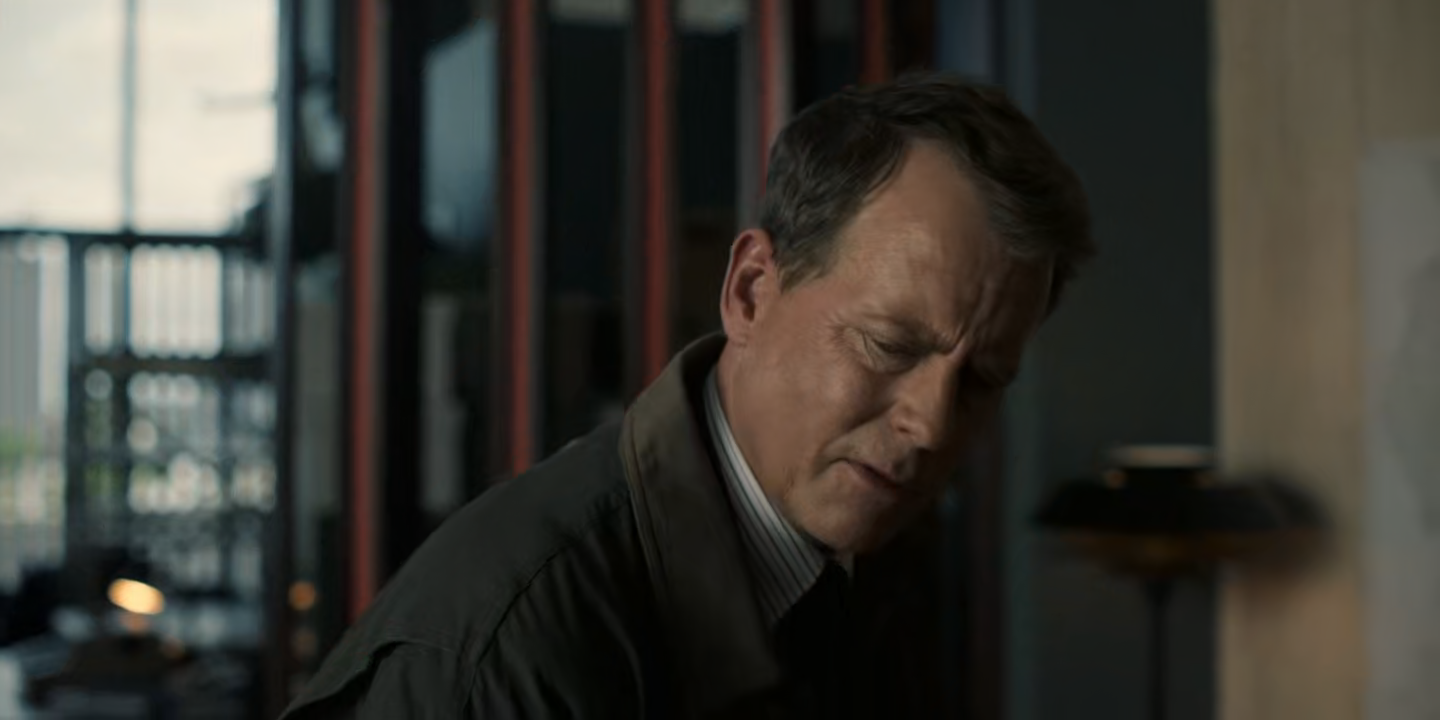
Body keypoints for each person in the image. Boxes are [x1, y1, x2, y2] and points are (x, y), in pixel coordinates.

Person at [280, 72, 1093, 719]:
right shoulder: (510, 644)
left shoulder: (874, 581)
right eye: (888, 345)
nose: (932, 424)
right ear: (749, 292)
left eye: (982, 380)